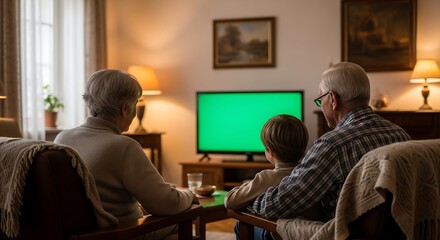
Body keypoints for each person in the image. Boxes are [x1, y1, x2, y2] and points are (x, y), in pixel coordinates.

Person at [243, 62, 411, 240]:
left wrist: (247, 197)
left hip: (345, 234)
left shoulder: (333, 144)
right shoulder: (401, 135)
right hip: (398, 233)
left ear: (332, 99)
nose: (320, 105)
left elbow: (280, 203)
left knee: (245, 223)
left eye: (320, 99)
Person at [55, 69, 198, 240]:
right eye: (135, 104)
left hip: (78, 233)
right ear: (125, 108)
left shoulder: (62, 137)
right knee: (181, 226)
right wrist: (189, 195)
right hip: (121, 231)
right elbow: (166, 204)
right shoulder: (123, 146)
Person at [224, 114, 309, 211]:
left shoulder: (265, 178)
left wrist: (245, 185)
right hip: (306, 225)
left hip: (273, 226)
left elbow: (229, 201)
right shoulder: (308, 174)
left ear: (270, 152)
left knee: (240, 225)